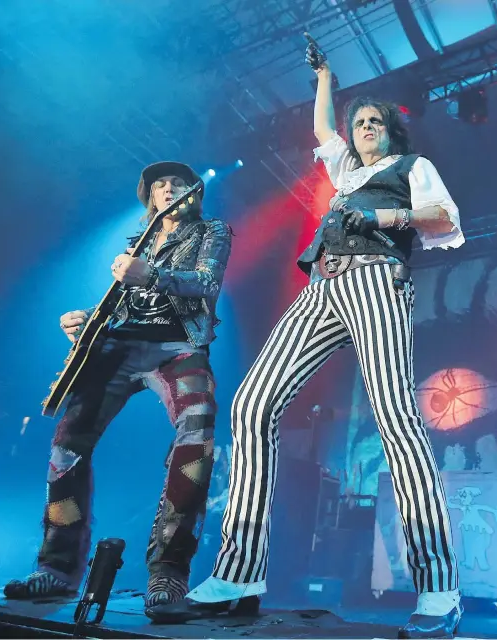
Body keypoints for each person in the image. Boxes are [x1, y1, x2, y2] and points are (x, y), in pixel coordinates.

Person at [148, 42, 465, 640]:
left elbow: (444, 220)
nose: (364, 128)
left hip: (377, 283)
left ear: (392, 131)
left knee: (397, 419)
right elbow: (323, 126)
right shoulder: (346, 172)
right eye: (359, 122)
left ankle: (439, 589)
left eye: (374, 122)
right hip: (323, 285)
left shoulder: (411, 168)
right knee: (251, 405)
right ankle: (239, 576)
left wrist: (386, 219)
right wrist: (326, 78)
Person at [4, 161, 233, 612]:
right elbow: (126, 306)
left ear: (193, 193)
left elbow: (206, 284)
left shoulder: (212, 231)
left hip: (177, 346)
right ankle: (56, 570)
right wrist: (87, 320)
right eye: (159, 185)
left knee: (198, 427)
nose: (167, 189)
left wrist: (149, 275)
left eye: (177, 183)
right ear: (149, 197)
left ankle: (168, 573)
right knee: (67, 443)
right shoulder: (138, 243)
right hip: (119, 348)